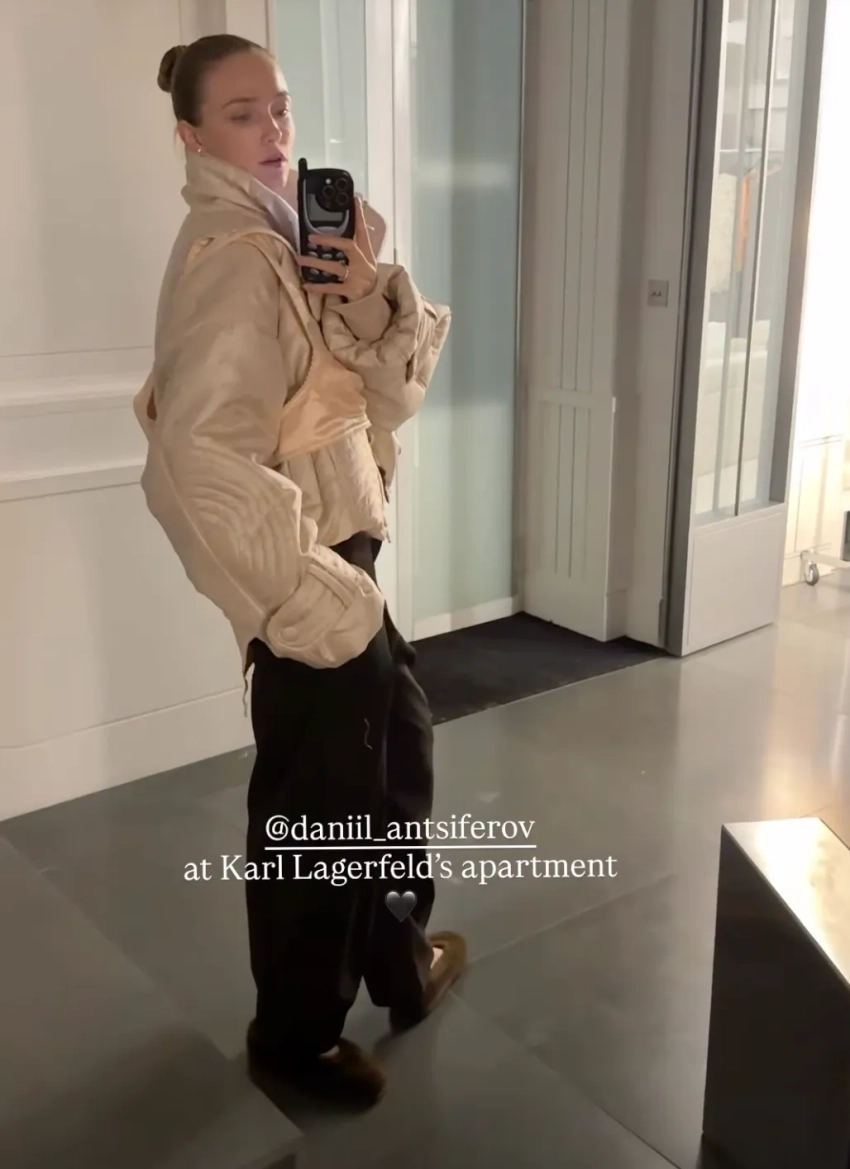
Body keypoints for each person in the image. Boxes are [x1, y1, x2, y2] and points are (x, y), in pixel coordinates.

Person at [134, 34, 466, 1108]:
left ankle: (399, 959)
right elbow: (197, 462)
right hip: (312, 590)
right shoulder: (232, 261)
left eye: (277, 105)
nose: (274, 128)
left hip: (345, 567)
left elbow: (384, 397)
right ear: (190, 135)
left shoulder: (297, 237)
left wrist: (365, 292)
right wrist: (310, 600)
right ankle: (293, 1039)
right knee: (318, 825)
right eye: (242, 113)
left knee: (393, 775)